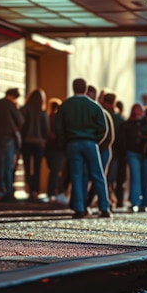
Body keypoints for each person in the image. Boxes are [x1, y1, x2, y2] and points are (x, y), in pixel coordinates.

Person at [54, 78, 111, 218]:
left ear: (73, 88)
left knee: (76, 176)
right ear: (85, 89)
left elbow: (58, 127)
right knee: (98, 175)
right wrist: (95, 139)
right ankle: (104, 208)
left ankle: (79, 208)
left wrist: (64, 141)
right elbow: (103, 127)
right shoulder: (94, 106)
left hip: (73, 143)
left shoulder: (66, 105)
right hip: (90, 142)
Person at [117, 103, 147, 212]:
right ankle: (136, 202)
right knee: (136, 178)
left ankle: (145, 202)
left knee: (146, 178)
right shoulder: (127, 125)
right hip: (133, 152)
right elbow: (123, 141)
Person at [0, 88, 25, 201]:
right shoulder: (10, 105)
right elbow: (21, 121)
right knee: (8, 165)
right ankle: (8, 190)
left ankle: (0, 188)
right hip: (8, 137)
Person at [20, 89, 49, 201]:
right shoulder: (42, 112)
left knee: (27, 167)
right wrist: (44, 140)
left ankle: (29, 189)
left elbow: (21, 126)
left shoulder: (24, 110)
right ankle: (35, 191)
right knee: (37, 168)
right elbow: (46, 129)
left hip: (26, 142)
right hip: (39, 143)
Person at [100, 92, 125, 208]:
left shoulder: (101, 114)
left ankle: (106, 200)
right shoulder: (119, 119)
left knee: (104, 177)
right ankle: (111, 200)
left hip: (103, 149)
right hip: (115, 152)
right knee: (111, 179)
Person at [45, 97, 67, 204]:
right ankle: (55, 193)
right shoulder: (59, 119)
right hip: (57, 148)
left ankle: (55, 192)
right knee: (56, 171)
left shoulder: (47, 117)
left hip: (48, 148)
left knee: (54, 171)